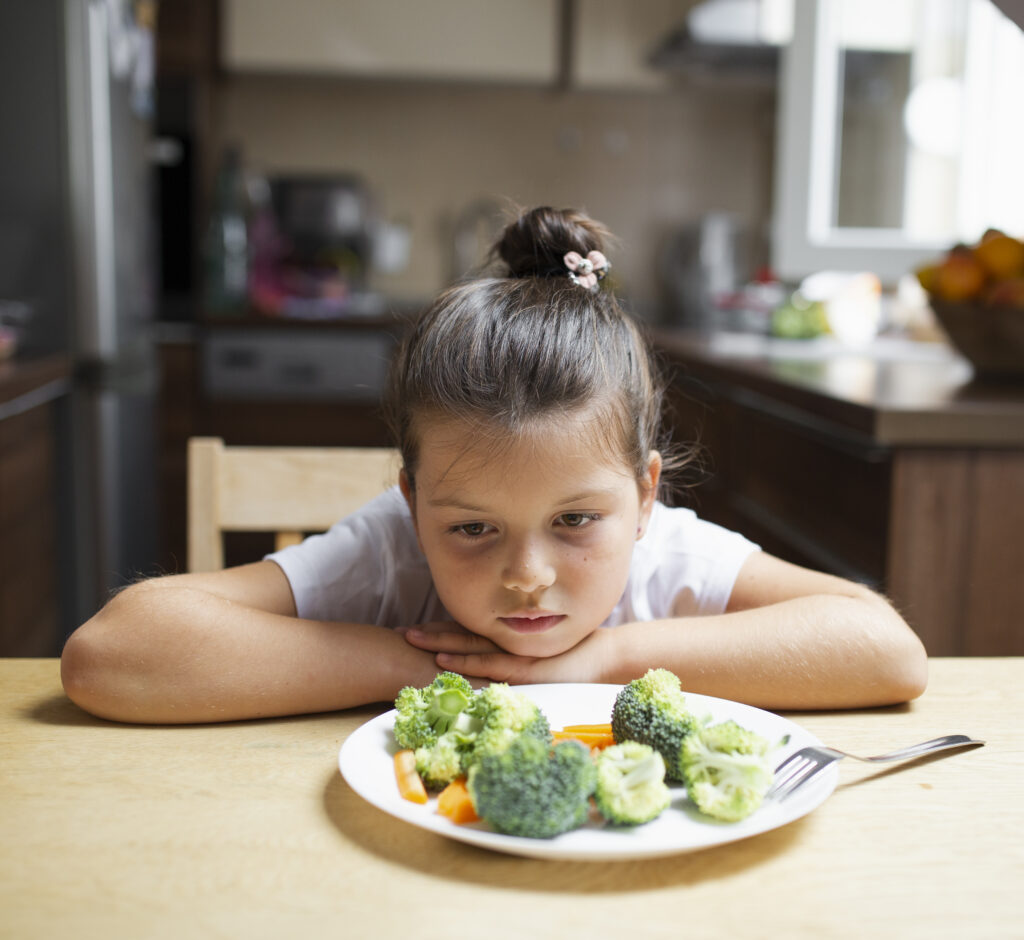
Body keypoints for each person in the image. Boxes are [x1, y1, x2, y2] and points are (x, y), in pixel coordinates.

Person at [61, 206, 927, 724]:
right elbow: (112, 654)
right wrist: (428, 667)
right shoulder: (389, 552)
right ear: (410, 501)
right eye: (471, 528)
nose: (526, 576)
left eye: (577, 522)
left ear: (645, 495)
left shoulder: (672, 559)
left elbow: (886, 650)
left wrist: (600, 662)